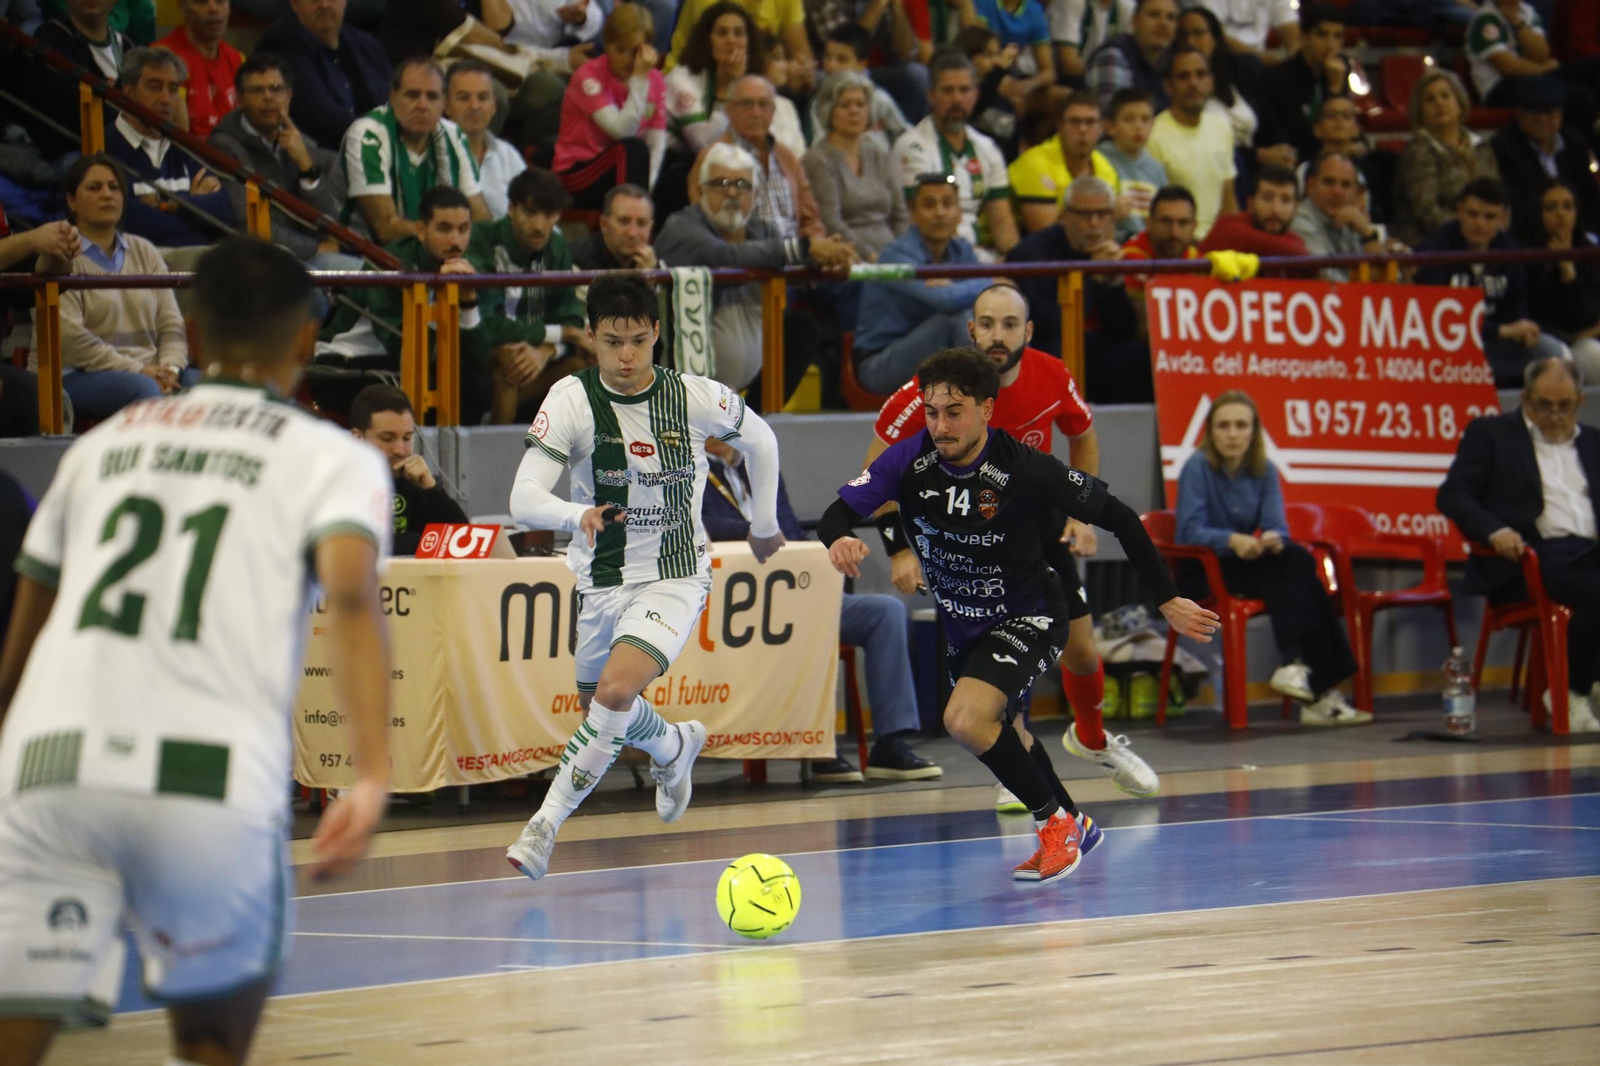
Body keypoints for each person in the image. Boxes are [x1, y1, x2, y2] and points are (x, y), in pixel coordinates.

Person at [0, 236, 393, 1066]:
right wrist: (369, 773)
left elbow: (26, 624)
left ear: (193, 329)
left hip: (48, 766)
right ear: (305, 342)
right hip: (204, 774)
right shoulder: (333, 456)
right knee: (211, 1043)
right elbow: (353, 595)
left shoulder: (102, 446)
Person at [821, 347, 1217, 881]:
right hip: (965, 625)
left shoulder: (1024, 468)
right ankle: (1077, 820)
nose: (940, 425)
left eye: (954, 411)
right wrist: (840, 536)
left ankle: (1056, 828)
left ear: (987, 409)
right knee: (1012, 736)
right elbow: (837, 511)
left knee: (964, 719)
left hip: (1030, 612)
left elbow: (1121, 516)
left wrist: (1167, 597)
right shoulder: (906, 462)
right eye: (932, 412)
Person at [504, 271, 787, 880]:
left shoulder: (692, 394)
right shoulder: (571, 399)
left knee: (612, 693)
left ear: (658, 332)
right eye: (612, 341)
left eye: (637, 339)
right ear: (591, 336)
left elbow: (761, 440)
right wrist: (576, 513)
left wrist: (763, 522)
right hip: (600, 580)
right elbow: (522, 498)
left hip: (674, 574)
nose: (626, 355)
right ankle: (674, 745)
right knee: (604, 712)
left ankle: (543, 826)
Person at [868, 286, 1164, 801]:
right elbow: (875, 470)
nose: (997, 336)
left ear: (1027, 332)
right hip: (968, 540)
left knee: (1083, 656)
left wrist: (1079, 514)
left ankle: (1091, 740)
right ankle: (1020, 763)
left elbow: (1083, 435)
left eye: (1009, 325)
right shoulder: (933, 391)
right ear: (971, 330)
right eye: (987, 324)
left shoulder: (1052, 376)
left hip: (1038, 529)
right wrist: (898, 548)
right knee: (1004, 659)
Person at [700, 435, 942, 781]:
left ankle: (889, 744)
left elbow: (792, 529)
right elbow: (700, 526)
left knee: (885, 611)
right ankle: (818, 745)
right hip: (739, 599)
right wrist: (760, 534)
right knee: (805, 622)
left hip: (795, 585)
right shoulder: (688, 469)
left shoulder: (761, 466)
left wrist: (823, 554)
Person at [1175, 390, 1368, 726]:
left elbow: (1279, 526)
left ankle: (1297, 670)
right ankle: (1313, 688)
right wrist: (1233, 540)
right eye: (1224, 426)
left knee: (1294, 558)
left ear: (1253, 431)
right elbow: (1189, 532)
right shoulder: (1196, 468)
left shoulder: (1264, 470)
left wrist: (1271, 539)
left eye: (1240, 425)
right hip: (1205, 568)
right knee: (1302, 574)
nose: (1233, 434)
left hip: (1250, 564)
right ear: (1210, 431)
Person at [1437, 356, 1600, 732]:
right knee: (1584, 582)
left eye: (1565, 406)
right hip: (1531, 556)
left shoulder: (1592, 443)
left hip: (1590, 554)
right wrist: (1497, 531)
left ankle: (1578, 684)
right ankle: (1572, 690)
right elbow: (1453, 495)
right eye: (1544, 405)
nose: (1555, 415)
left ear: (1580, 400)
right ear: (1525, 399)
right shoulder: (1492, 434)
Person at [656, 143, 855, 405]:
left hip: (750, 375)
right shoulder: (681, 227)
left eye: (742, 185)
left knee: (802, 329)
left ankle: (759, 417)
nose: (731, 192)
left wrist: (827, 259)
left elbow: (784, 261)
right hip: (684, 387)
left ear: (756, 195)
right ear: (700, 190)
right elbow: (724, 256)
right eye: (720, 183)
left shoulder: (763, 232)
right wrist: (807, 247)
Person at [31, 155, 189, 422]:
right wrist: (140, 370)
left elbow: (171, 323)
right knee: (144, 390)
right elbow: (69, 340)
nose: (107, 195)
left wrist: (171, 368)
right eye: (95, 188)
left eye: (114, 187)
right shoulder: (59, 257)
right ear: (71, 201)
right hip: (75, 374)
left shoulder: (145, 251)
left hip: (149, 370)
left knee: (215, 387)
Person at [320, 187, 496, 423]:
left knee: (479, 384)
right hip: (345, 360)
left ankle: (450, 458)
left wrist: (469, 300)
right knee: (429, 380)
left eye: (463, 230)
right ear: (421, 231)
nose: (455, 240)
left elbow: (478, 355)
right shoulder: (390, 265)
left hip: (406, 363)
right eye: (444, 229)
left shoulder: (470, 266)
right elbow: (403, 347)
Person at [210, 52, 360, 271]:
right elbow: (246, 224)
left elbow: (329, 226)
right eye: (257, 90)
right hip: (253, 260)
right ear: (239, 100)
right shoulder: (224, 147)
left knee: (369, 275)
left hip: (300, 259)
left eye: (276, 89)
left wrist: (307, 169)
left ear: (289, 96)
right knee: (354, 275)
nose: (268, 97)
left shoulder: (301, 144)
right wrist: (314, 249)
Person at [1415, 177, 1569, 387]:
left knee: (1552, 352)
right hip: (1448, 347)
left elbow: (1516, 306)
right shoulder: (1436, 249)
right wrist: (1500, 330)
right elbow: (1435, 320)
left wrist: (1524, 327)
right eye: (1472, 214)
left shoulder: (1511, 252)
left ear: (1503, 219)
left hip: (1495, 346)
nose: (1480, 223)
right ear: (1459, 211)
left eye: (1489, 217)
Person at [469, 167, 593, 424]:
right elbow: (489, 328)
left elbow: (570, 318)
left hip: (535, 356)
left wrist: (546, 350)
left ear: (558, 215)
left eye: (548, 214)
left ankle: (574, 455)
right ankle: (497, 455)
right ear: (511, 209)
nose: (538, 225)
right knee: (511, 360)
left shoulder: (556, 247)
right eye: (530, 212)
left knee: (588, 362)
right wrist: (564, 335)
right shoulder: (481, 241)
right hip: (479, 353)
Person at [1005, 175, 1143, 401]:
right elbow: (1046, 325)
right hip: (1041, 345)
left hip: (1091, 345)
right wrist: (1095, 279)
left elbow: (1122, 329)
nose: (1095, 223)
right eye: (1085, 215)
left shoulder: (1108, 252)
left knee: (1133, 353)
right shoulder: (1032, 254)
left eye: (1103, 215)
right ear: (1064, 216)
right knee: (1057, 353)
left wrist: (1114, 281)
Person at [854, 173, 992, 395]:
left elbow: (988, 295)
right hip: (879, 364)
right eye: (929, 205)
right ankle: (992, 393)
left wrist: (977, 287)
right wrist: (992, 282)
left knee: (1002, 313)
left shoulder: (961, 250)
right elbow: (945, 300)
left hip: (935, 356)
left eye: (947, 204)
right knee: (953, 319)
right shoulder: (895, 254)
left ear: (959, 213)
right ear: (913, 214)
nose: (939, 212)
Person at [341, 57, 490, 244]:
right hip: (360, 255)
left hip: (431, 255)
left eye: (432, 97)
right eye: (412, 95)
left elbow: (481, 219)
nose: (422, 106)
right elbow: (385, 228)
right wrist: (449, 236)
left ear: (443, 102)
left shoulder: (453, 135)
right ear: (393, 97)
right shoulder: (367, 135)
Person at [105, 47, 236, 249]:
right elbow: (134, 224)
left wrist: (167, 203)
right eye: (155, 87)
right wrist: (194, 206)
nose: (166, 99)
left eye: (173, 89)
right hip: (143, 262)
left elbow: (224, 212)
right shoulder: (108, 146)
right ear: (129, 92)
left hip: (199, 259)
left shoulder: (182, 146)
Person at [891, 51, 1018, 258]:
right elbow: (922, 223)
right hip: (927, 256)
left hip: (977, 257)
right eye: (948, 91)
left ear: (976, 94)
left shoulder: (987, 148)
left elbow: (1003, 224)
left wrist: (1014, 265)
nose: (957, 99)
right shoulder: (913, 147)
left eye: (964, 90)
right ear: (930, 95)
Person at [552, 3, 668, 208]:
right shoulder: (588, 76)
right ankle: (631, 216)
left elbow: (656, 140)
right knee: (630, 148)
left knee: (672, 176)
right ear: (606, 44)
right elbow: (623, 131)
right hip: (576, 172)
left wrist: (647, 189)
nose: (627, 59)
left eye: (634, 52)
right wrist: (639, 80)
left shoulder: (656, 80)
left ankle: (638, 218)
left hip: (621, 170)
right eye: (620, 50)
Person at [688, 75, 825, 241]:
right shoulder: (712, 157)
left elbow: (810, 220)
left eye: (764, 105)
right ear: (728, 110)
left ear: (773, 111)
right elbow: (706, 226)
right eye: (746, 104)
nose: (756, 113)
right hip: (745, 259)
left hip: (794, 260)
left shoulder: (787, 157)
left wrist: (816, 244)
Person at [254, 0, 393, 153]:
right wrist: (384, 138)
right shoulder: (283, 43)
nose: (324, 5)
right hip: (326, 159)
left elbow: (395, 99)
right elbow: (322, 119)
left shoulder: (366, 44)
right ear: (294, 3)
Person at [803, 71, 911, 262]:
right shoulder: (818, 159)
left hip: (893, 255)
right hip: (850, 259)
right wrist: (871, 257)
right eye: (845, 105)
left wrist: (904, 252)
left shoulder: (878, 153)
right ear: (828, 111)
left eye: (860, 104)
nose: (854, 111)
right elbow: (831, 222)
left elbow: (900, 214)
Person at [350, 383, 470, 555]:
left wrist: (431, 489)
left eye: (407, 438)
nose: (399, 450)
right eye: (387, 438)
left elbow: (464, 541)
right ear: (358, 438)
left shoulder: (416, 483)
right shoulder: (340, 486)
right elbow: (361, 544)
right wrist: (427, 542)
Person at [1394, 69, 1502, 247]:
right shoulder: (1419, 151)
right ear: (1420, 112)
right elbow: (1426, 210)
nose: (1439, 103)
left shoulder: (1481, 146)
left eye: (1445, 96)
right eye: (1430, 99)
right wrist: (1469, 231)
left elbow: (1498, 196)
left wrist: (1490, 227)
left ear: (1460, 103)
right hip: (1436, 242)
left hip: (1484, 236)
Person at [1178, 5, 1288, 174]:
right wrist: (1256, 156)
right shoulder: (1180, 84)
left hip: (1261, 171)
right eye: (1183, 35)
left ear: (1215, 37)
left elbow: (1271, 122)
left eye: (1198, 33)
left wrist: (1281, 150)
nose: (1191, 41)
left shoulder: (1243, 69)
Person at [23, 0, 135, 161]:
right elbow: (69, 110)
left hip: (126, 153)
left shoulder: (127, 47)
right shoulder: (51, 38)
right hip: (75, 153)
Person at [1468, 0, 1600, 134]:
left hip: (1533, 77)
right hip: (1500, 87)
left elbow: (1541, 53)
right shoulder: (1485, 17)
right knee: (1581, 98)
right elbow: (1508, 67)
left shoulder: (1526, 11)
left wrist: (1517, 22)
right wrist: (1544, 68)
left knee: (1596, 64)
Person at [1491, 77, 1600, 239]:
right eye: (1535, 112)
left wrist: (1585, 234)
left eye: (1549, 112)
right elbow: (1516, 203)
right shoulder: (1502, 146)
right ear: (1519, 114)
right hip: (1529, 237)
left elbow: (1589, 196)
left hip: (1578, 232)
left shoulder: (1575, 142)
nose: (1542, 119)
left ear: (1561, 113)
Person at [1146, 45, 1236, 240]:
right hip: (1177, 245)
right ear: (1168, 86)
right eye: (1183, 76)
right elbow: (1154, 210)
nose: (1193, 83)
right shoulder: (1153, 135)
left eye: (1200, 74)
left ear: (1211, 82)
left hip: (1219, 245)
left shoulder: (1222, 127)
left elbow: (1228, 197)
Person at [1008, 90, 1120, 235]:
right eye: (1074, 122)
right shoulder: (1034, 164)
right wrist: (1112, 216)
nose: (1083, 129)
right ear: (1060, 125)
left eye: (1090, 122)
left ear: (1101, 128)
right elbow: (1045, 236)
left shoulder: (1106, 170)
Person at [1521, 178, 1600, 384]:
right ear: (1538, 213)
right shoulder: (1522, 256)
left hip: (1588, 336)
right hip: (1554, 341)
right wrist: (1566, 269)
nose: (1561, 214)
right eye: (1551, 207)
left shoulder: (1590, 251)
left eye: (1568, 206)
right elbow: (1538, 317)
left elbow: (1591, 312)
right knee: (1592, 355)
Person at [1255, 3, 1352, 166]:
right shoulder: (1278, 77)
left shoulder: (1339, 70)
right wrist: (1334, 91)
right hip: (1292, 162)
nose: (1330, 45)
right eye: (1322, 35)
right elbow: (1297, 138)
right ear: (1303, 37)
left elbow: (1347, 127)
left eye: (1337, 37)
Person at [665, 2, 764, 159]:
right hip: (677, 166)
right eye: (722, 33)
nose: (731, 40)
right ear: (707, 40)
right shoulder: (681, 79)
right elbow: (704, 146)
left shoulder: (752, 80)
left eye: (738, 33)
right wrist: (725, 90)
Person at [804, 0, 928, 123]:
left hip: (867, 71)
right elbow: (845, 45)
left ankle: (904, 140)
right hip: (828, 73)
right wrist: (878, 5)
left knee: (918, 75)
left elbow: (905, 54)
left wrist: (897, 7)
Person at [668, 0, 817, 95]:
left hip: (755, 74)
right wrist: (775, 72)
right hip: (697, 77)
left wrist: (802, 70)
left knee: (815, 84)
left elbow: (801, 51)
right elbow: (724, 58)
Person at [446, 59, 528, 220]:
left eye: (483, 98)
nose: (475, 106)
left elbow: (535, 212)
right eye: (464, 98)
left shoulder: (508, 155)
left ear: (494, 106)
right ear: (446, 105)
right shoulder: (432, 156)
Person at [811, 22, 912, 153]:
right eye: (827, 56)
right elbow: (819, 146)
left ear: (861, 65)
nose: (831, 65)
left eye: (841, 59)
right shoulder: (819, 103)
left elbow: (905, 136)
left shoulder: (879, 99)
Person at [1290, 151, 1388, 283]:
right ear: (1310, 186)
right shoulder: (1299, 220)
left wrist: (1367, 234)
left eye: (1346, 185)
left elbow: (1389, 278)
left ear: (1355, 191)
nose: (1337, 192)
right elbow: (1327, 279)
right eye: (1329, 182)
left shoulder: (1352, 219)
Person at [154, 0, 242, 139]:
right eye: (201, 2)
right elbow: (180, 140)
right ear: (183, 8)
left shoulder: (237, 59)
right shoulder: (166, 58)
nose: (213, 8)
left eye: (220, 1)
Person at [1119, 184, 1197, 333]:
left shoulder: (1196, 258)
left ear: (1194, 227)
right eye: (1166, 222)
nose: (1175, 233)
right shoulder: (1131, 257)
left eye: (1183, 223)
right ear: (1149, 224)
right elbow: (1144, 328)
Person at [951, 0, 1057, 105]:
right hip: (980, 73)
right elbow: (976, 48)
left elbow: (1049, 72)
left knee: (1059, 97)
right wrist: (1000, 65)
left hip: (1012, 76)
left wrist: (1026, 85)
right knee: (1015, 103)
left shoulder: (1034, 10)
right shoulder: (983, 2)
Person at [1085, 0, 1178, 116]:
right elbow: (1114, 121)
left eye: (1171, 18)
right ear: (1135, 21)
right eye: (1154, 15)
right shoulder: (1112, 57)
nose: (1163, 23)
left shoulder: (1173, 62)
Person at [1098, 88, 1167, 241]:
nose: (1138, 126)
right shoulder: (1098, 160)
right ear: (1110, 127)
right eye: (1129, 119)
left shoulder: (1156, 169)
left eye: (1145, 119)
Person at [1197, 161, 1309, 255]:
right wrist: (1304, 256)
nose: (1276, 209)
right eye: (1267, 198)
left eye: (1285, 200)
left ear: (1295, 209)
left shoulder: (1295, 242)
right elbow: (1260, 242)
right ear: (1251, 204)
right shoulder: (1230, 227)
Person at [958, 24, 1020, 157]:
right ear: (968, 57)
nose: (996, 61)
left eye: (997, 54)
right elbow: (978, 103)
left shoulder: (1002, 98)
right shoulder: (961, 96)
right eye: (988, 55)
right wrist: (999, 72)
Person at [571, 182, 659, 270]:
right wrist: (643, 280)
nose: (632, 233)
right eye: (624, 222)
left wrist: (654, 274)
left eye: (641, 223)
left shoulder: (654, 261)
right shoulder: (575, 262)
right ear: (604, 224)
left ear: (651, 227)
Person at [1050, 0, 1136, 85]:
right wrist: (1107, 71)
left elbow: (1133, 61)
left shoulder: (1125, 7)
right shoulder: (1071, 2)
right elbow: (1068, 64)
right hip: (1065, 81)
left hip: (1105, 78)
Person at [1190, 0, 1299, 64]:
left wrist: (1295, 61)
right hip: (1219, 62)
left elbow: (1292, 33)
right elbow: (1216, 34)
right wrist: (1272, 62)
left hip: (1261, 66)